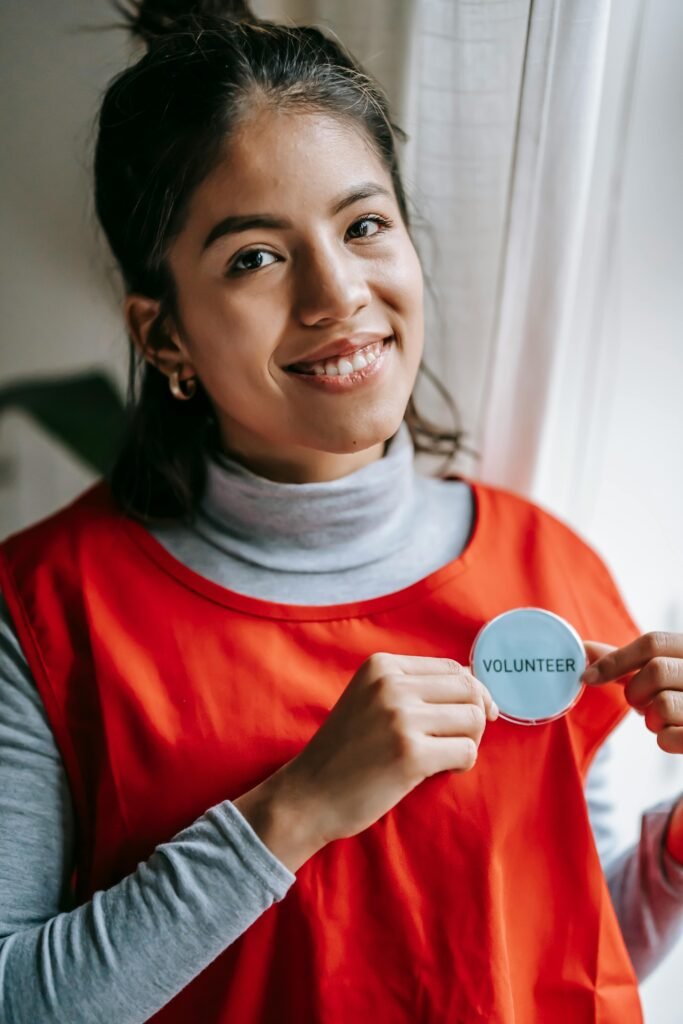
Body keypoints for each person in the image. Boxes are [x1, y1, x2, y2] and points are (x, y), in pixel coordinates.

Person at [0, 2, 681, 1021]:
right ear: (163, 334)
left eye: (363, 226)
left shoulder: (550, 568)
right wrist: (296, 808)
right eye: (253, 258)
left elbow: (570, 949)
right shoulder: (44, 613)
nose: (335, 294)